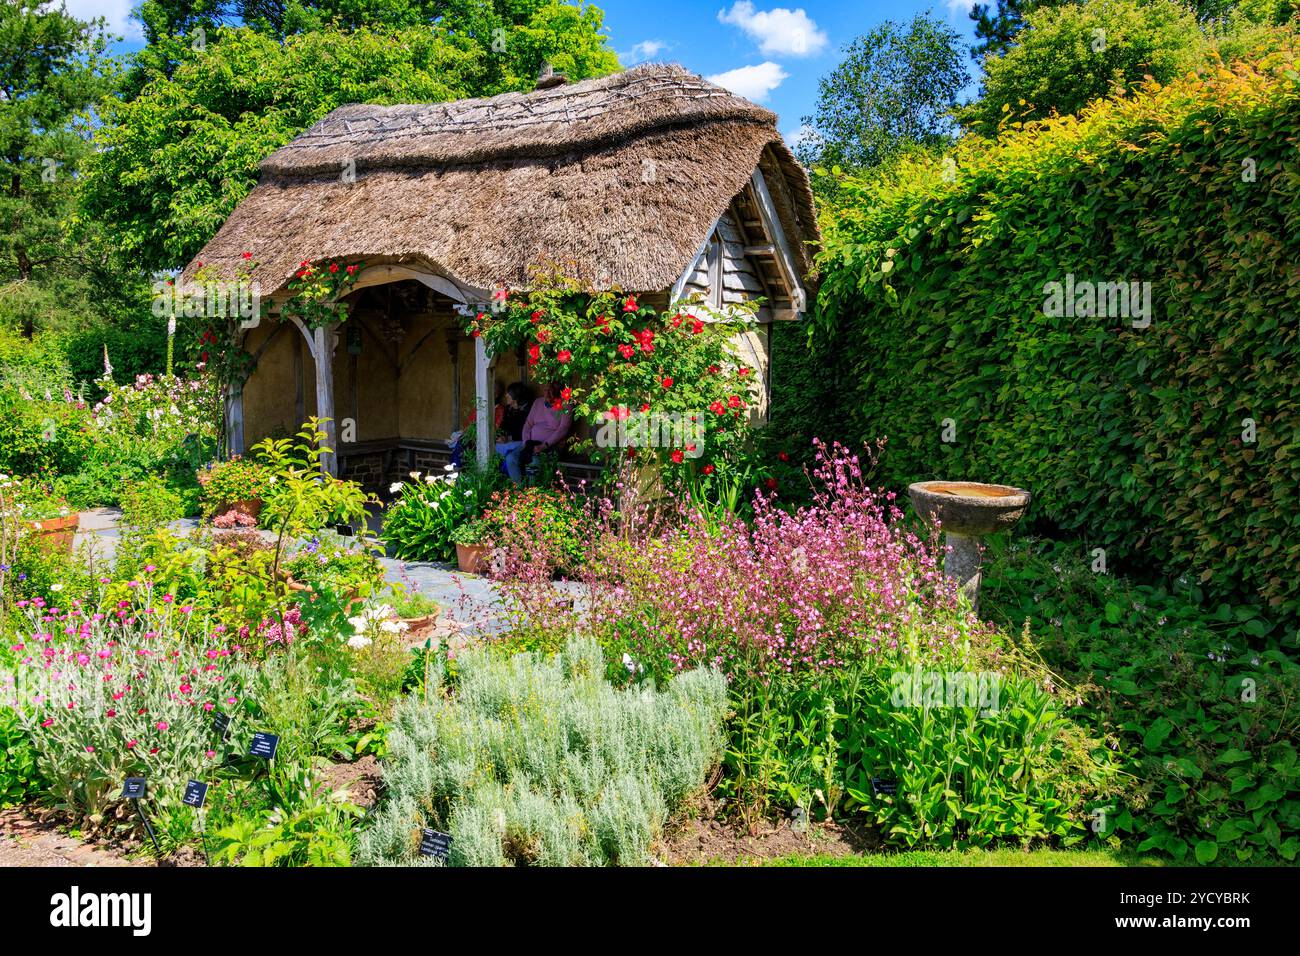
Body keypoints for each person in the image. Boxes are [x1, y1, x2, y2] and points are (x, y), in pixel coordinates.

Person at [504, 384, 571, 483]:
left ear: (557, 390)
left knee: (534, 461)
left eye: (551, 390)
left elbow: (563, 429)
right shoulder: (538, 402)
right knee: (511, 458)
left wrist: (544, 445)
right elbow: (528, 424)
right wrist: (526, 442)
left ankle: (532, 493)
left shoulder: (565, 405)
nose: (548, 393)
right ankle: (519, 491)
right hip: (531, 444)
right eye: (545, 390)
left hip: (550, 446)